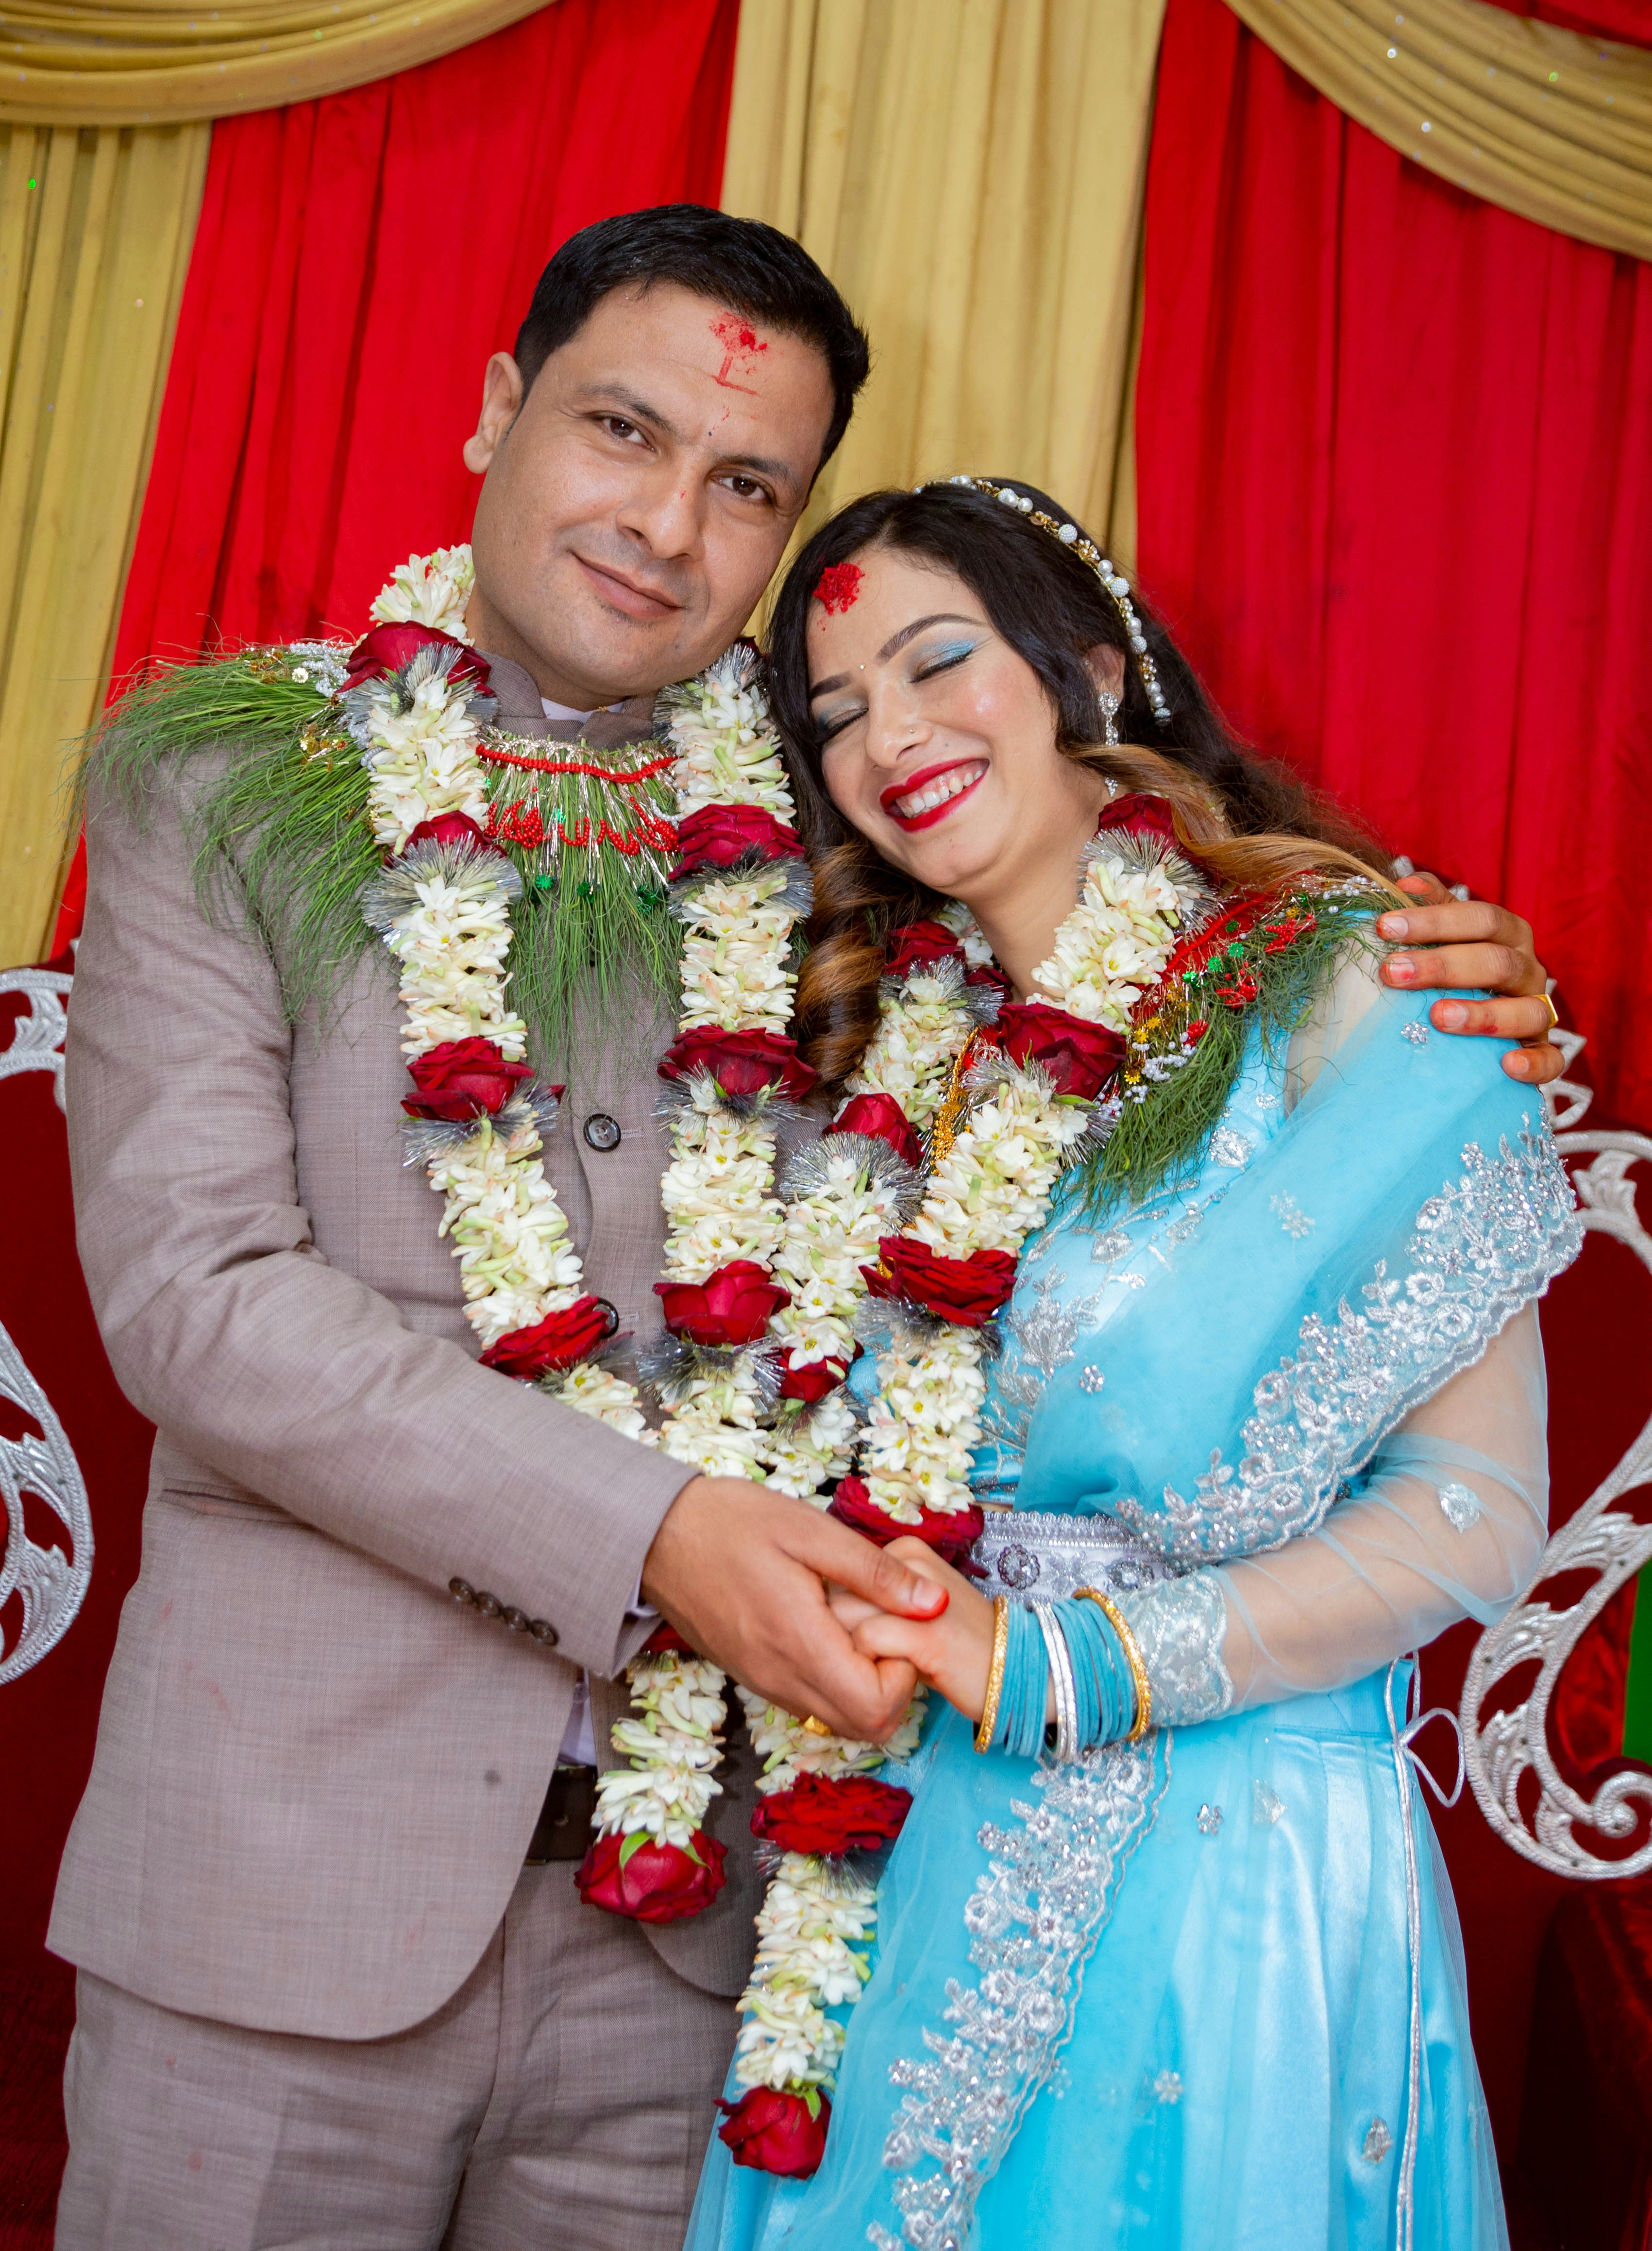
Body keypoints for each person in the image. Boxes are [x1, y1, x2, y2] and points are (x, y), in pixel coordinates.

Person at [53, 197, 1556, 2251]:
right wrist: (664, 1537)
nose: (665, 524)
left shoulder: (830, 844)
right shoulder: (230, 785)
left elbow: (1145, 978)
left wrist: (1443, 973)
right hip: (288, 1892)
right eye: (617, 430)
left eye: (743, 483)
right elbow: (202, 1303)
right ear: (496, 414)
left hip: (730, 1950)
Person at [684, 478, 1580, 2251]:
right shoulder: (873, 1061)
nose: (893, 739)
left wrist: (1059, 1664)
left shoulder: (1357, 985)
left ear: (1090, 668)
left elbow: (1475, 1509)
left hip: (1230, 1866)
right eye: (839, 713)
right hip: (907, 1837)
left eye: (941, 662)